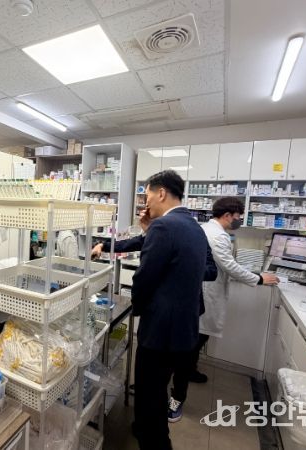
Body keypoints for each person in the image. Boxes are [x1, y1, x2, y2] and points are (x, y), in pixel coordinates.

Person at [98, 170, 209, 450]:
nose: (145, 201)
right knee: (157, 390)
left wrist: (134, 306)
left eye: (147, 195)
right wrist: (146, 229)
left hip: (160, 332)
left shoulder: (165, 227)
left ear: (161, 193)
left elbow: (144, 278)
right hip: (182, 330)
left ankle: (155, 442)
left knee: (149, 396)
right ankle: (142, 429)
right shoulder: (193, 226)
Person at [194, 197, 279, 380]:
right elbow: (229, 266)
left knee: (199, 333)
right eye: (238, 217)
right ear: (227, 215)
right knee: (199, 334)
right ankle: (187, 372)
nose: (239, 220)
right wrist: (258, 279)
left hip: (205, 286)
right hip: (209, 289)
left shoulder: (207, 228)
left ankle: (187, 369)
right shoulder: (218, 235)